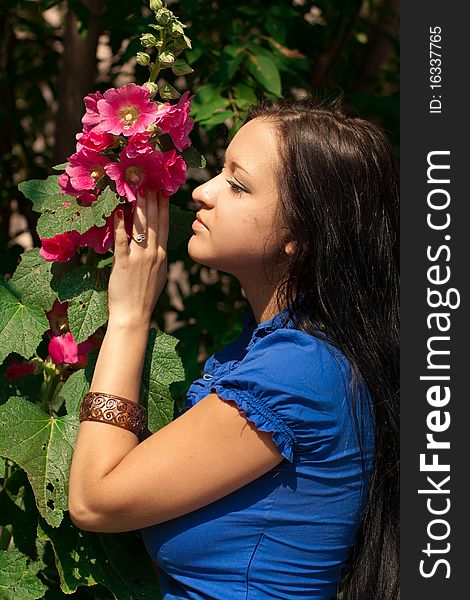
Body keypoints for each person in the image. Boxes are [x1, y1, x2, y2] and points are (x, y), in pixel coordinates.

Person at [69, 95, 399, 600]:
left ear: (300, 236)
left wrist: (129, 317)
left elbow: (95, 501)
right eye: (220, 172)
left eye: (238, 185)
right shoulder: (273, 347)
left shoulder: (294, 372)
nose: (202, 192)